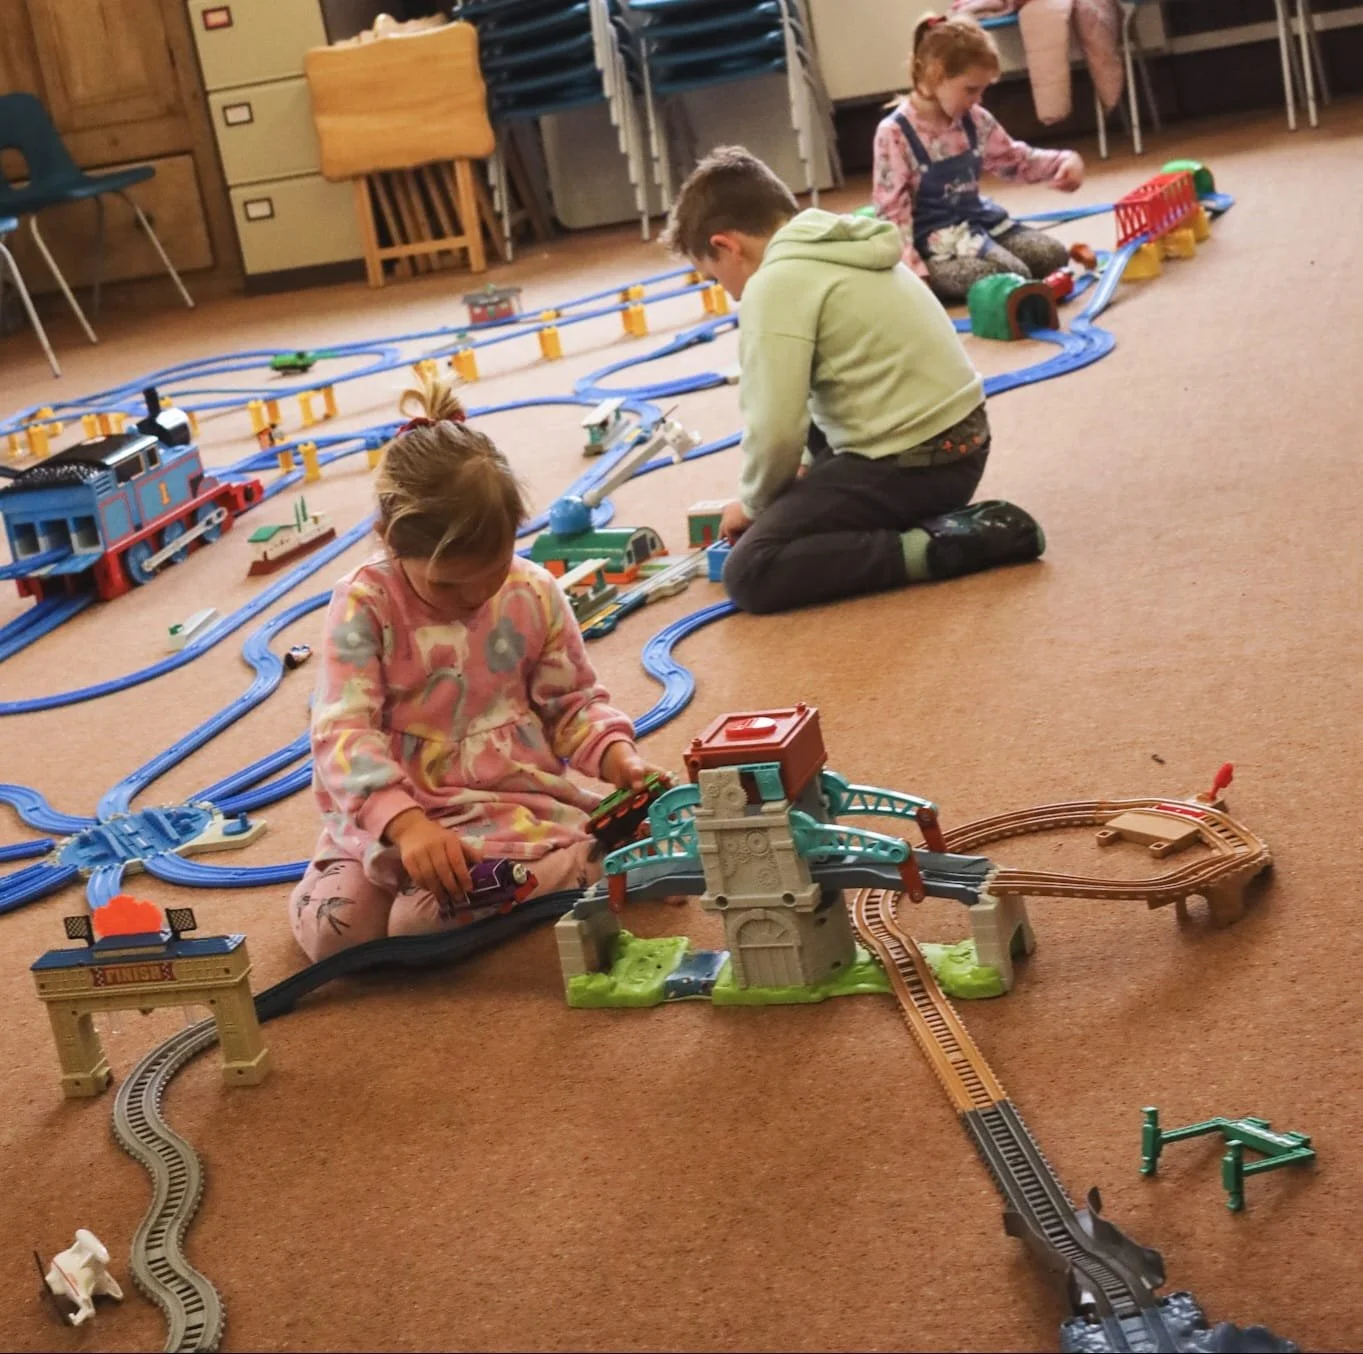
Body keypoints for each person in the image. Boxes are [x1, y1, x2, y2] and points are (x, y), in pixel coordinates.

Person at [289, 371, 663, 961]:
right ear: (389, 540)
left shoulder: (533, 592)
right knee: (336, 935)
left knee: (420, 926)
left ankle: (584, 854)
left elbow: (573, 704)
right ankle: (529, 867)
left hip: (506, 805)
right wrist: (406, 826)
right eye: (450, 584)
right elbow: (343, 732)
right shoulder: (365, 603)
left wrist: (618, 756)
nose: (476, 599)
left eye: (493, 572)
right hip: (391, 814)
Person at [661, 145, 1045, 616]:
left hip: (916, 464)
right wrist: (802, 470)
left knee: (751, 569)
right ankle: (911, 524)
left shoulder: (774, 283)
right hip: (964, 443)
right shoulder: (838, 242)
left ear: (726, 246)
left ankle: (936, 548)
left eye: (712, 275)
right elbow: (811, 402)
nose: (725, 289)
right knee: (808, 450)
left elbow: (774, 427)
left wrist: (754, 505)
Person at [873, 12, 1084, 302]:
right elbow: (892, 214)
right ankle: (951, 275)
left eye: (982, 90)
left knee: (1052, 256)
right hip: (936, 245)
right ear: (936, 74)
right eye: (970, 90)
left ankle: (1001, 262)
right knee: (1012, 276)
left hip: (979, 224)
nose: (978, 99)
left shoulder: (975, 118)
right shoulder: (894, 133)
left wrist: (1063, 161)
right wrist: (914, 274)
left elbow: (1014, 159)